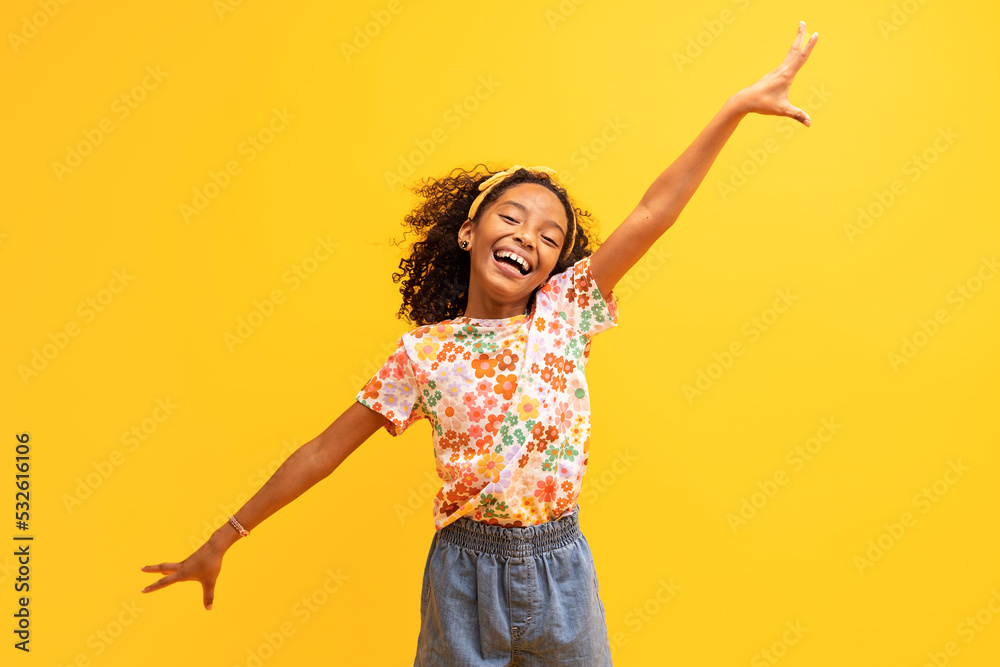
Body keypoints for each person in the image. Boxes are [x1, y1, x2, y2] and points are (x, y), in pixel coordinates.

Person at [141, 21, 818, 665]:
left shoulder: (566, 310)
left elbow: (652, 211)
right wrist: (223, 536)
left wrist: (733, 109)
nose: (530, 236)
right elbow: (321, 451)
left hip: (563, 572)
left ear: (556, 265)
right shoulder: (423, 355)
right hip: (462, 577)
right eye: (513, 217)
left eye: (551, 236)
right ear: (468, 233)